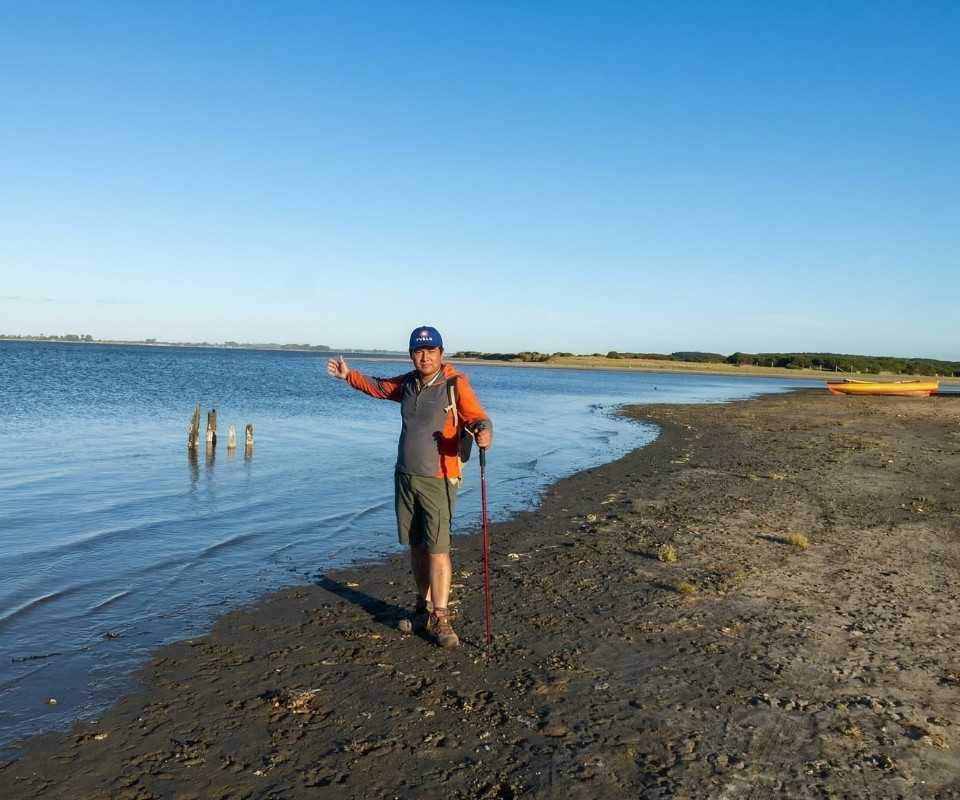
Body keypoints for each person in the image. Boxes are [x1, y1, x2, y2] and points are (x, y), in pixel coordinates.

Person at [327, 326, 493, 648]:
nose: (425, 356)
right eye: (419, 351)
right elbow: (378, 387)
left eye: (431, 350)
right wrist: (349, 375)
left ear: (441, 354)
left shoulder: (455, 385)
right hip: (405, 476)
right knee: (416, 545)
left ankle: (441, 618)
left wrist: (484, 431)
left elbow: (478, 418)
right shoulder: (408, 383)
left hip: (440, 478)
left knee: (438, 549)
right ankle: (423, 608)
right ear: (412, 354)